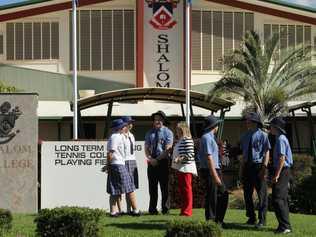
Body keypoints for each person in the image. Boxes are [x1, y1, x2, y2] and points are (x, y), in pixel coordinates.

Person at [240, 112, 271, 227]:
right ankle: (251, 217)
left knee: (262, 194)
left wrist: (264, 167)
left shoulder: (263, 135)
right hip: (247, 166)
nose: (247, 122)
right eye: (247, 120)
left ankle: (262, 220)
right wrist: (241, 169)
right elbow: (244, 155)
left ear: (255, 122)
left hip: (259, 166)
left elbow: (267, 151)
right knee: (247, 194)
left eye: (249, 120)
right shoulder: (244, 136)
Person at [106, 119, 140, 217]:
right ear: (120, 128)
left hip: (118, 164)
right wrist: (108, 165)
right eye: (124, 126)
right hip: (117, 164)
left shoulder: (119, 136)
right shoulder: (115, 137)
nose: (126, 127)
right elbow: (110, 153)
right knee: (129, 187)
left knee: (115, 188)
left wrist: (108, 165)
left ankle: (113, 212)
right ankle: (135, 211)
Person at [198, 115, 228, 225]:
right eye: (217, 125)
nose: (218, 127)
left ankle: (218, 219)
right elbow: (209, 158)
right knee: (213, 195)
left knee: (221, 194)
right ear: (214, 126)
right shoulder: (206, 137)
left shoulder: (210, 137)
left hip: (214, 170)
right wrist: (215, 175)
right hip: (211, 171)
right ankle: (211, 220)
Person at [145, 110, 173, 215]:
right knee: (152, 188)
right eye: (156, 119)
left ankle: (165, 209)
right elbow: (146, 148)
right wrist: (150, 158)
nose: (157, 121)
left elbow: (168, 149)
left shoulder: (168, 132)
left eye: (160, 119)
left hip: (163, 161)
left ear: (163, 121)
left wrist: (157, 160)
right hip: (151, 162)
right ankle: (152, 209)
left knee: (164, 187)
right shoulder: (149, 133)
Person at [269, 117, 293, 234]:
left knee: (278, 198)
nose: (270, 128)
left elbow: (282, 158)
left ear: (276, 128)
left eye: (271, 126)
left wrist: (277, 175)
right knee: (280, 198)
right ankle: (283, 225)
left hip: (282, 171)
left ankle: (285, 226)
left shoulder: (280, 139)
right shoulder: (279, 138)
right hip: (282, 170)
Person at [171, 122, 197, 216]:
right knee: (183, 190)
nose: (176, 132)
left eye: (178, 130)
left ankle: (187, 211)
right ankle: (183, 210)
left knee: (187, 190)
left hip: (186, 168)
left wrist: (180, 158)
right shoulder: (181, 140)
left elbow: (190, 154)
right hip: (181, 168)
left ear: (183, 130)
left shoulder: (187, 139)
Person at [121, 116, 140, 215]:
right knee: (127, 186)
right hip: (125, 161)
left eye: (131, 123)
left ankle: (130, 209)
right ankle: (128, 209)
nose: (130, 125)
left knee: (132, 186)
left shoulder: (131, 135)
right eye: (128, 123)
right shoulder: (121, 135)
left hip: (132, 161)